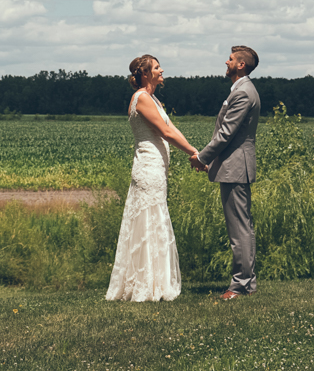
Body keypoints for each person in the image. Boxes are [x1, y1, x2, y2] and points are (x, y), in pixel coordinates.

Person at [106, 54, 199, 302]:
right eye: (157, 68)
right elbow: (166, 131)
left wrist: (195, 149)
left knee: (153, 222)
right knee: (148, 222)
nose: (162, 70)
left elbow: (172, 127)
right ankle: (146, 284)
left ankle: (152, 281)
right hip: (148, 169)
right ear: (145, 74)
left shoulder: (153, 98)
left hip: (155, 168)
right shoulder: (142, 98)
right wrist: (192, 152)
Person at [191, 45, 260, 300]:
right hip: (233, 166)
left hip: (235, 168)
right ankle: (248, 283)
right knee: (243, 227)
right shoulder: (242, 90)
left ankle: (240, 285)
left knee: (239, 229)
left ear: (240, 65)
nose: (226, 62)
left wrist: (201, 157)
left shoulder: (242, 93)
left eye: (230, 59)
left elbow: (226, 134)